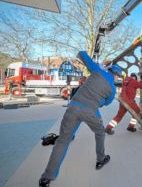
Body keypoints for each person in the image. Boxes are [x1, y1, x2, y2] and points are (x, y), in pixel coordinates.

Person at [39, 51, 122, 187]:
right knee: (100, 132)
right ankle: (100, 159)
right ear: (117, 76)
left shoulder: (96, 70)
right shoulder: (112, 89)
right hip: (91, 111)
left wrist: (98, 64)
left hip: (73, 107)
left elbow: (81, 53)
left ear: (108, 69)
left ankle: (46, 177)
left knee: (62, 142)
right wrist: (96, 102)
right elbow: (105, 103)